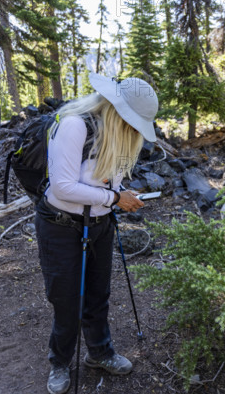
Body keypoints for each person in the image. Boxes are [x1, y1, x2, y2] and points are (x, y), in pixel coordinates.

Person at [34, 73, 158, 394]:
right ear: (118, 110)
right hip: (61, 226)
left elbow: (102, 181)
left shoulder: (116, 134)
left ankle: (100, 353)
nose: (134, 130)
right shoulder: (76, 125)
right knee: (66, 300)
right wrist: (116, 199)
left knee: (97, 295)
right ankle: (60, 362)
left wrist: (119, 193)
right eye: (132, 121)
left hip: (100, 225)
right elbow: (62, 188)